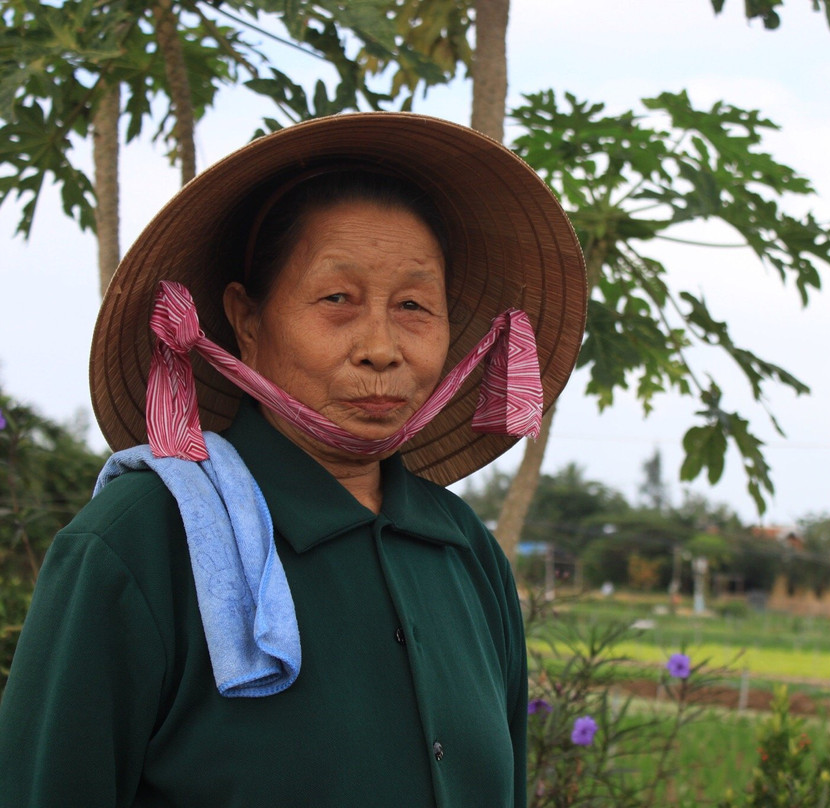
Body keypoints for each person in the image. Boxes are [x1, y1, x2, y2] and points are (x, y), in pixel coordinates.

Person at [0, 113, 587, 807]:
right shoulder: (136, 545)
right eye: (337, 299)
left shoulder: (465, 553)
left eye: (414, 305)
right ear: (246, 321)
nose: (380, 346)